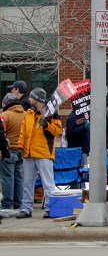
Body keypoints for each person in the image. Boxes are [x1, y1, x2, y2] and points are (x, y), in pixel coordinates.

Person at [16, 88, 62, 218]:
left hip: (44, 153)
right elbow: (23, 132)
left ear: (37, 99)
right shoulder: (29, 113)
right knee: (27, 183)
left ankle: (50, 208)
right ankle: (26, 209)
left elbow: (58, 131)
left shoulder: (51, 113)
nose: (29, 99)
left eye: (31, 97)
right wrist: (20, 146)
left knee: (47, 183)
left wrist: (47, 125)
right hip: (29, 153)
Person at [0, 93, 25, 210]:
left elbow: (1, 134)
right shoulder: (26, 114)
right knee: (19, 178)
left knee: (7, 177)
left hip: (8, 151)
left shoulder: (4, 116)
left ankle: (7, 204)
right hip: (21, 151)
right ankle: (18, 203)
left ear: (6, 103)